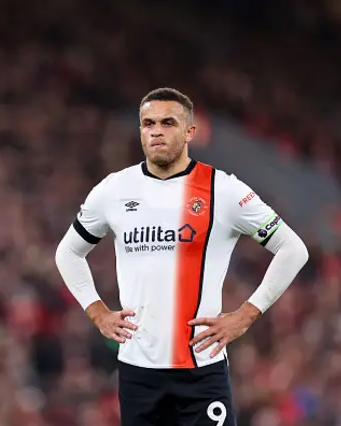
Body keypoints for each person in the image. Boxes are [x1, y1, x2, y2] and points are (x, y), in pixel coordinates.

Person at [54, 88, 309, 426]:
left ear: (190, 131)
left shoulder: (224, 190)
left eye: (167, 122)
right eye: (148, 123)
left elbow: (293, 250)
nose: (156, 131)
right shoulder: (113, 190)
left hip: (201, 372)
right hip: (137, 373)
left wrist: (245, 315)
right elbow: (68, 252)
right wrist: (97, 311)